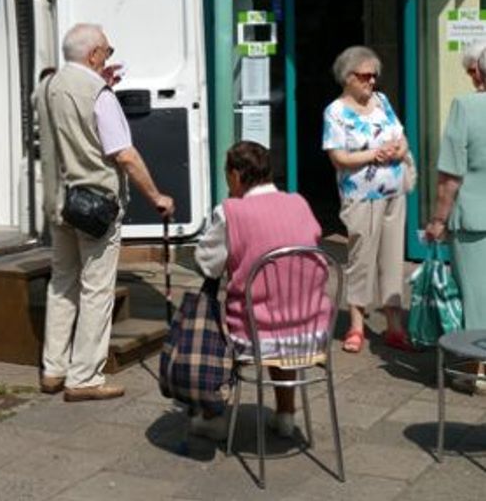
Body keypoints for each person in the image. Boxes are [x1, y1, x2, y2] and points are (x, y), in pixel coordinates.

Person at [36, 23, 174, 402]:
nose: (107, 60)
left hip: (59, 202)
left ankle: (54, 368)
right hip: (95, 204)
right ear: (94, 54)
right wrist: (156, 195)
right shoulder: (99, 94)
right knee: (96, 290)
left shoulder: (47, 87)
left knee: (62, 283)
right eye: (107, 53)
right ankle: (84, 377)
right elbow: (124, 154)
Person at [192, 141, 329, 440]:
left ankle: (213, 417)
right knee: (284, 307)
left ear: (237, 175)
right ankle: (285, 414)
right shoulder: (299, 203)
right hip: (311, 332)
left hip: (257, 335)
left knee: (216, 319)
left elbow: (206, 263)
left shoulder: (230, 212)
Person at [322, 46, 411, 354]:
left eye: (374, 75)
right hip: (360, 195)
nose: (371, 81)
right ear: (347, 78)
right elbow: (339, 158)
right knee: (361, 258)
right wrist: (375, 153)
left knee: (392, 258)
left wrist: (396, 151)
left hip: (393, 192)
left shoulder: (382, 101)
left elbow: (401, 138)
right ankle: (356, 325)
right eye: (364, 76)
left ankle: (395, 326)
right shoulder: (335, 112)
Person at [425, 41, 486, 392]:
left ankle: (477, 369)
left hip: (475, 219)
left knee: (477, 296)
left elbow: (450, 175)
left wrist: (437, 220)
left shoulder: (465, 106)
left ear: (477, 71)